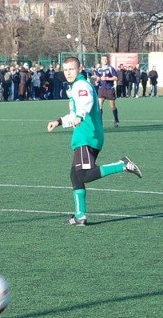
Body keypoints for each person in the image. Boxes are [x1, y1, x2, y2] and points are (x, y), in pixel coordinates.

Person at [46, 57, 142, 226]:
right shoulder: (77, 86)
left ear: (80, 69)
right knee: (75, 176)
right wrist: (59, 121)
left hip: (86, 136)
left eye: (71, 69)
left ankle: (122, 165)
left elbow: (86, 103)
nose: (68, 72)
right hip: (88, 135)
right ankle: (80, 216)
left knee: (83, 175)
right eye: (66, 69)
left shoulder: (81, 85)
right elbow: (75, 113)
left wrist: (80, 116)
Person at [95, 55, 120, 127]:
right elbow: (98, 77)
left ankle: (116, 120)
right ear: (101, 60)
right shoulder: (99, 69)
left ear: (107, 60)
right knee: (99, 106)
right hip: (101, 89)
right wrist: (97, 81)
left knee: (112, 106)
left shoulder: (110, 68)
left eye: (106, 59)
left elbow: (115, 78)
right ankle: (99, 122)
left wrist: (107, 78)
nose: (105, 60)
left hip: (109, 89)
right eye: (103, 59)